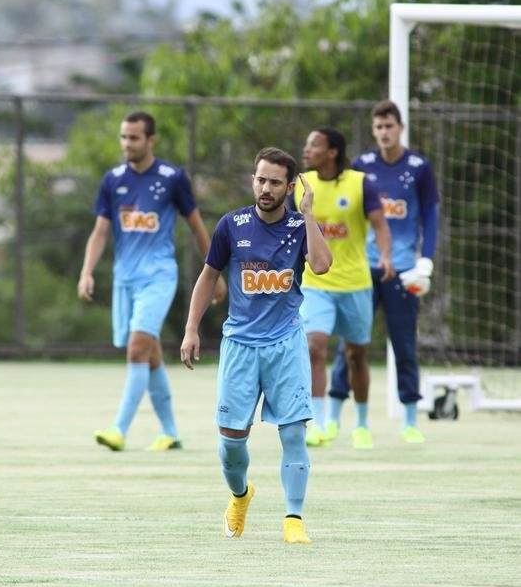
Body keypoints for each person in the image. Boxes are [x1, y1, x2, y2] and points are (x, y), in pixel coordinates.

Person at [180, 147, 332, 544]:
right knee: (230, 444)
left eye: (275, 182)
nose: (266, 188)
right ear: (253, 180)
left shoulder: (299, 226)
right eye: (261, 180)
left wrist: (309, 215)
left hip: (286, 343)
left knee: (294, 433)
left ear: (289, 187)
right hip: (240, 346)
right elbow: (208, 276)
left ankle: (293, 519)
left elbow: (321, 265)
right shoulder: (232, 225)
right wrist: (191, 328)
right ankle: (240, 495)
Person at [78, 110, 226, 452]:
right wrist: (86, 271)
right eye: (123, 137)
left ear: (151, 140)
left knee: (137, 349)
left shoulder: (172, 177)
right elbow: (100, 232)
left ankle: (119, 429)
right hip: (125, 280)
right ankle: (170, 432)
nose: (127, 144)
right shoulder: (113, 180)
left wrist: (215, 273)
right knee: (151, 354)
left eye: (134, 138)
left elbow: (197, 227)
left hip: (159, 276)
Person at [328, 100, 439, 443]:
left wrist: (426, 260)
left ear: (400, 127)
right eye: (379, 127)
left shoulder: (419, 167)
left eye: (389, 125)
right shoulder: (362, 166)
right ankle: (333, 417)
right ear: (373, 130)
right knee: (350, 345)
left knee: (404, 344)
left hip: (403, 270)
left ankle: (410, 421)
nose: (384, 132)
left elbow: (431, 214)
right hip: (363, 270)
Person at [294, 126, 394, 450]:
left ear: (332, 151)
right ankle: (319, 424)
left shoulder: (361, 183)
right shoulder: (300, 186)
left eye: (314, 144)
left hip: (355, 284)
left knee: (356, 356)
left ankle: (362, 425)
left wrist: (386, 256)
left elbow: (380, 225)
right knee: (314, 347)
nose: (306, 149)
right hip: (316, 283)